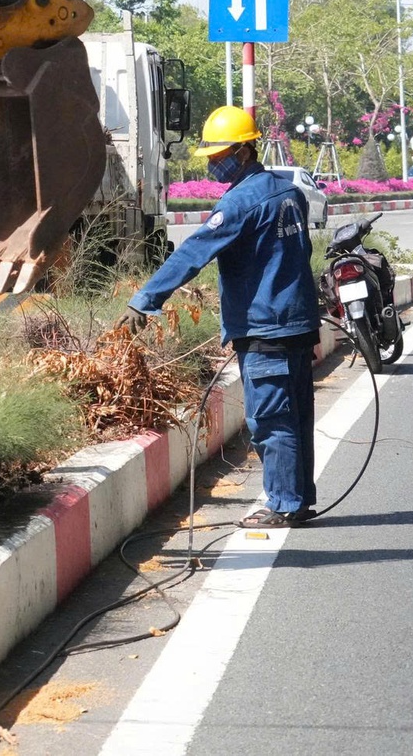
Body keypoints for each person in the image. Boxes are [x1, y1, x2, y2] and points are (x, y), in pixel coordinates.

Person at [119, 105, 321, 529]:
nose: (213, 164)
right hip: (299, 323)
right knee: (296, 416)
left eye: (218, 155)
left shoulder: (240, 203)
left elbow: (192, 253)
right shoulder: (290, 193)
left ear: (244, 151)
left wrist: (145, 300)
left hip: (266, 327)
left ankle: (285, 504)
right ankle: (298, 499)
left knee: (271, 420)